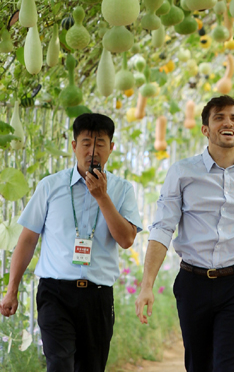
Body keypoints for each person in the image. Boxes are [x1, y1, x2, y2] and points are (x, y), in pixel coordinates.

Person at [135, 95, 234, 372]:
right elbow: (163, 228)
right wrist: (146, 286)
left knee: (229, 366)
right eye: (219, 117)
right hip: (193, 283)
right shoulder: (181, 172)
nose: (228, 122)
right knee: (198, 365)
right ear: (205, 129)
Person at [0, 112, 142, 372]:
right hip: (55, 293)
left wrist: (102, 198)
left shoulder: (122, 190)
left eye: (100, 144)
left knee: (91, 366)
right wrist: (12, 289)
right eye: (86, 143)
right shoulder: (50, 186)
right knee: (59, 361)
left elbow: (126, 239)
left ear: (111, 148)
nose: (92, 151)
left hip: (97, 296)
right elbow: (28, 239)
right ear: (74, 146)